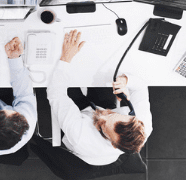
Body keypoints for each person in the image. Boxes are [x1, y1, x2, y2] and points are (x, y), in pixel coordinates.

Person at [46, 30, 152, 165]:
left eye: (103, 124)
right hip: (92, 117)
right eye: (112, 113)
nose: (102, 113)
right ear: (132, 116)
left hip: (80, 119)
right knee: (101, 69)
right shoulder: (143, 125)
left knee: (63, 78)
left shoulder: (79, 136)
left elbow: (56, 93)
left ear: (113, 144)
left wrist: (66, 58)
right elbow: (141, 88)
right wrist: (125, 81)